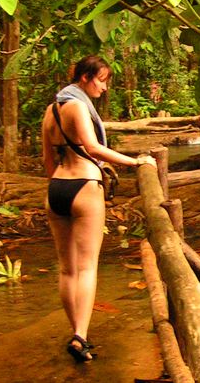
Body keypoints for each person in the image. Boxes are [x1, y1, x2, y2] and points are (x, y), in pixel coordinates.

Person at [41, 55, 155, 362]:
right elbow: (92, 148)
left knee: (66, 268)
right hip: (84, 186)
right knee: (87, 267)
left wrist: (56, 186)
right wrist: (136, 161)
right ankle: (81, 335)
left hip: (56, 189)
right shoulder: (77, 106)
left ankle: (75, 331)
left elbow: (48, 161)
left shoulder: (51, 111)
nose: (104, 88)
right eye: (101, 80)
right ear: (85, 78)